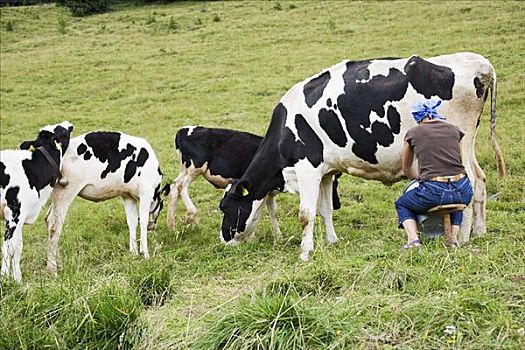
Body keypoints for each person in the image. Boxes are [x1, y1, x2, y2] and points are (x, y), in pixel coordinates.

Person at [395, 99, 473, 249]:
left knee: (402, 203)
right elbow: (460, 163)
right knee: (457, 204)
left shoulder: (413, 133)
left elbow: (406, 168)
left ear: (420, 118)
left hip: (434, 191)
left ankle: (413, 240)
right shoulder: (455, 130)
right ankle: (453, 239)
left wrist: (418, 178)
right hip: (463, 189)